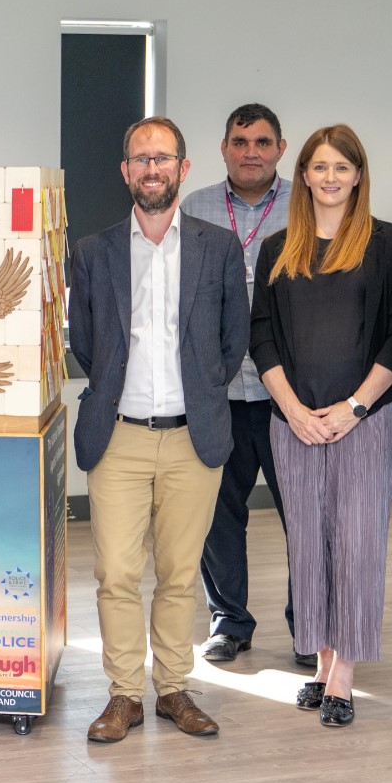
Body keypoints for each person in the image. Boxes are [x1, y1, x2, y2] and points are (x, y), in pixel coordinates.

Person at [67, 115, 247, 744]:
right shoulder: (94, 252)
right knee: (115, 574)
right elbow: (86, 342)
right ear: (125, 171)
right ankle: (123, 696)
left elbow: (232, 343)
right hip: (117, 437)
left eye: (163, 158)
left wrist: (194, 390)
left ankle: (172, 689)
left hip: (193, 438)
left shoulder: (218, 248)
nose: (151, 169)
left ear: (183, 168)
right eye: (140, 159)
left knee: (178, 573)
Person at [248, 125, 392, 726]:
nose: (330, 178)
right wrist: (292, 409)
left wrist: (356, 407)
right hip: (292, 421)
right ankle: (320, 663)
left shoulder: (389, 242)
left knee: (356, 543)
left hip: (363, 420)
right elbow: (261, 332)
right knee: (309, 546)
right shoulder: (277, 247)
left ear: (359, 175)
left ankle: (345, 672)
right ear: (304, 176)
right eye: (319, 167)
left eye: (341, 167)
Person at [179, 103, 305, 668]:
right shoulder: (195, 208)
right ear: (223, 148)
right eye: (239, 141)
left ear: (281, 148)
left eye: (262, 141)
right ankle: (229, 622)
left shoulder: (306, 205)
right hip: (218, 391)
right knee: (217, 516)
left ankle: (311, 626)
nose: (250, 151)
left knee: (303, 516)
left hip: (291, 395)